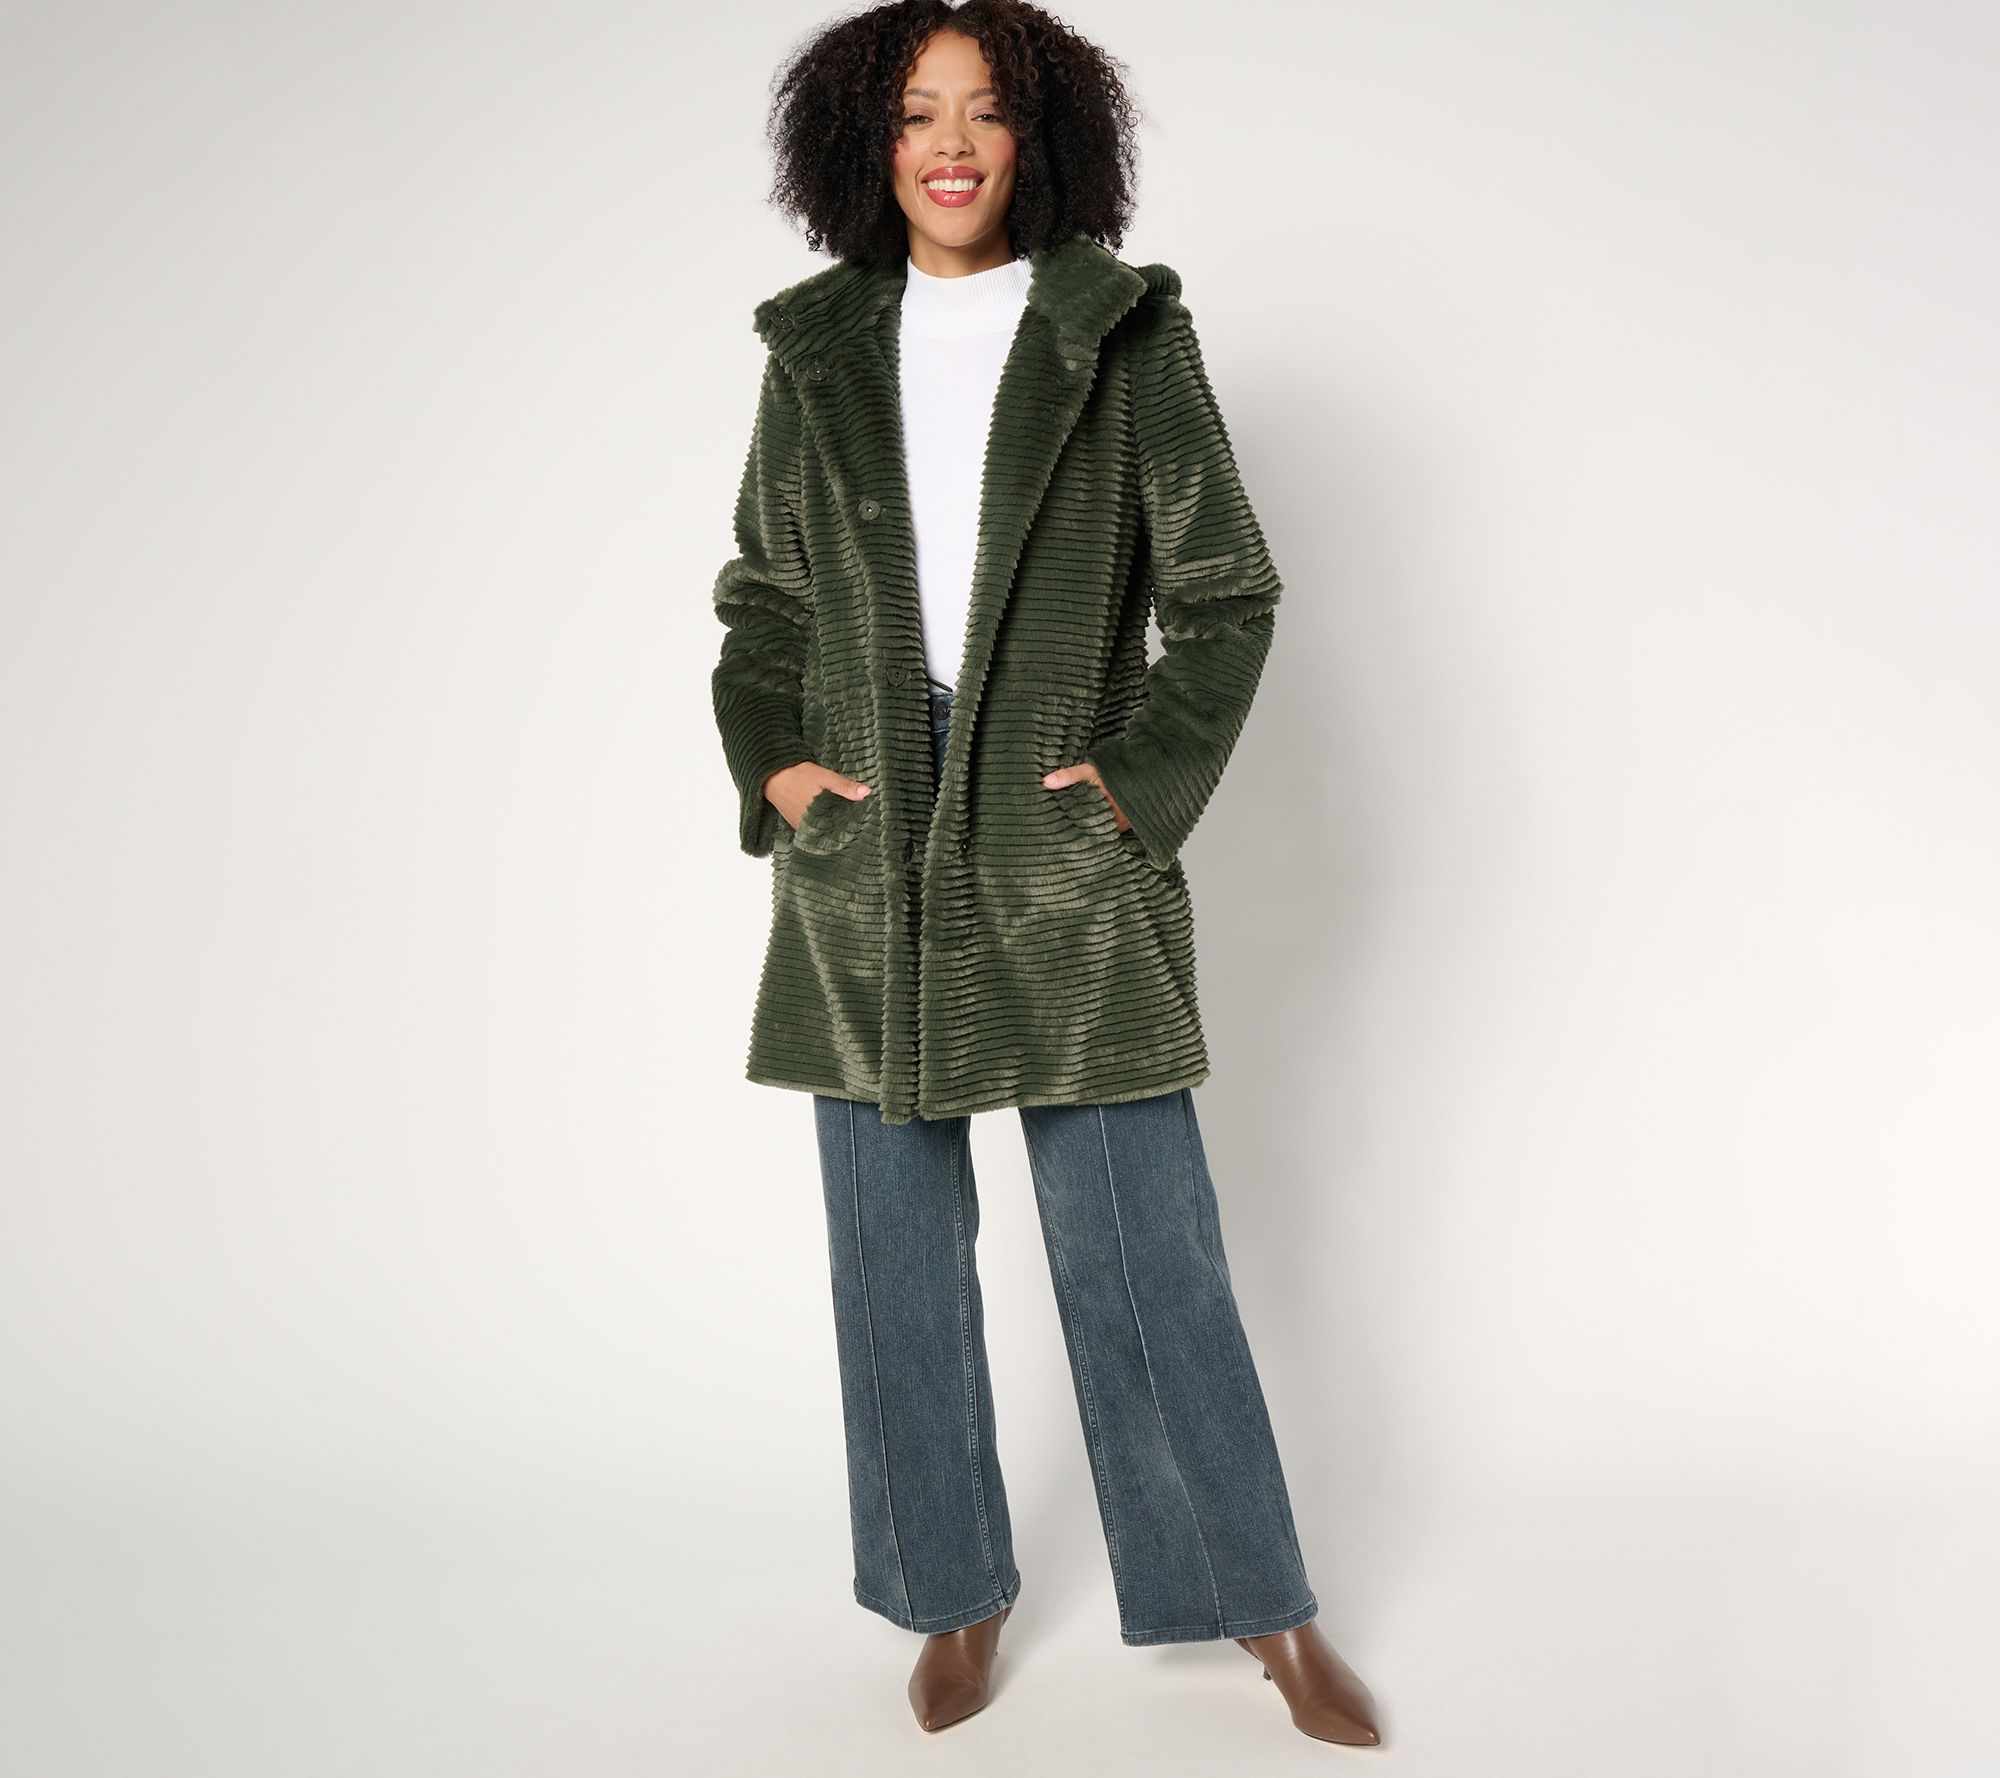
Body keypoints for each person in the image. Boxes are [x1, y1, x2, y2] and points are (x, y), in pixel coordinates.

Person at [709, 0, 1383, 1744]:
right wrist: (777, 767)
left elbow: (1226, 595)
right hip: (865, 832)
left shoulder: (1119, 330)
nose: (950, 143)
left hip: (1055, 825)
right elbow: (764, 601)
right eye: (915, 112)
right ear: (866, 144)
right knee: (890, 1258)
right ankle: (951, 1588)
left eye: (986, 111)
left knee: (1146, 1248)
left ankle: (1261, 1605)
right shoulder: (815, 348)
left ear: (1039, 137)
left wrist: (1135, 787)